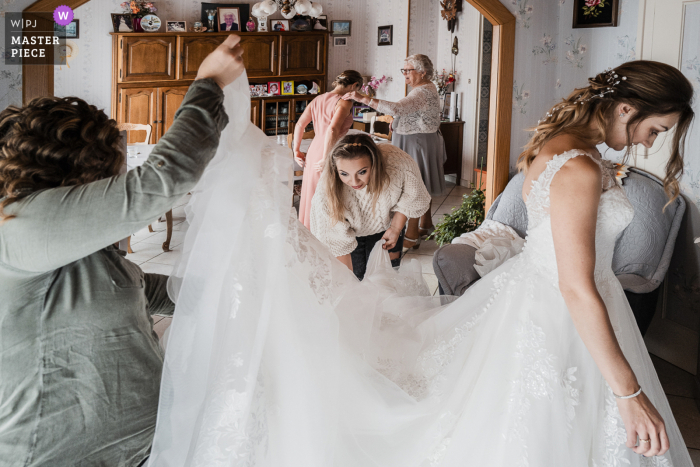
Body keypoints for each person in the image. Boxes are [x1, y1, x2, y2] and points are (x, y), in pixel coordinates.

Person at [148, 60, 695, 466]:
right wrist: (629, 392)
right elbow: (577, 285)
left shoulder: (561, 148)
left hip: (542, 304)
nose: (652, 141)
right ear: (627, 108)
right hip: (566, 311)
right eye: (657, 128)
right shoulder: (578, 166)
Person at [0, 35, 245, 466]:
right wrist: (208, 83)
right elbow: (164, 179)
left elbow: (125, 286)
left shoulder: (73, 240)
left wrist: (223, 294)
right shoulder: (21, 226)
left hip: (147, 447)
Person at [343, 54, 445, 252]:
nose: (405, 74)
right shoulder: (424, 88)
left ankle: (412, 235)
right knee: (420, 181)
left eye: (409, 70)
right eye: (404, 70)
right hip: (419, 138)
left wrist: (362, 98)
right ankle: (426, 225)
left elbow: (397, 108)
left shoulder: (421, 92)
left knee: (413, 185)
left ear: (422, 72)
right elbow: (407, 112)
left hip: (416, 141)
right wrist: (396, 121)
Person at [310, 134, 431, 279]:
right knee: (356, 277)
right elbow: (337, 244)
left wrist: (395, 228)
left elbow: (412, 197)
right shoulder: (326, 191)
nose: (354, 181)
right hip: (350, 233)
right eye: (344, 174)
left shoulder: (397, 162)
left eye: (362, 172)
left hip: (389, 226)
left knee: (388, 277)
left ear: (375, 163)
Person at [294, 70, 363, 229]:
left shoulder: (318, 98)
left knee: (312, 190)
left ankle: (310, 231)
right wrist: (326, 157)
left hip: (314, 149)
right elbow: (332, 130)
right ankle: (326, 233)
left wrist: (296, 150)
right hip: (329, 149)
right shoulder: (344, 101)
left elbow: (299, 124)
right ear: (354, 85)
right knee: (326, 192)